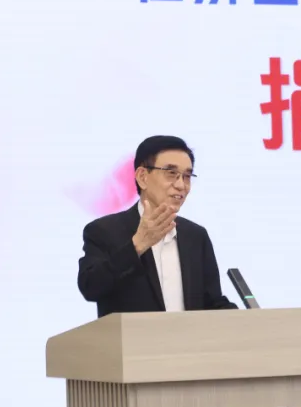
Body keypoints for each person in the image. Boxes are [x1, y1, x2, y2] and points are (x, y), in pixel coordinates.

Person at [77, 135, 236, 317]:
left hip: (188, 337)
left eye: (187, 176)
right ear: (142, 177)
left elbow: (211, 303)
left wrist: (247, 318)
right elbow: (90, 288)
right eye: (171, 173)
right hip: (132, 336)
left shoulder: (196, 236)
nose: (181, 185)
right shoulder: (104, 231)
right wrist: (137, 246)